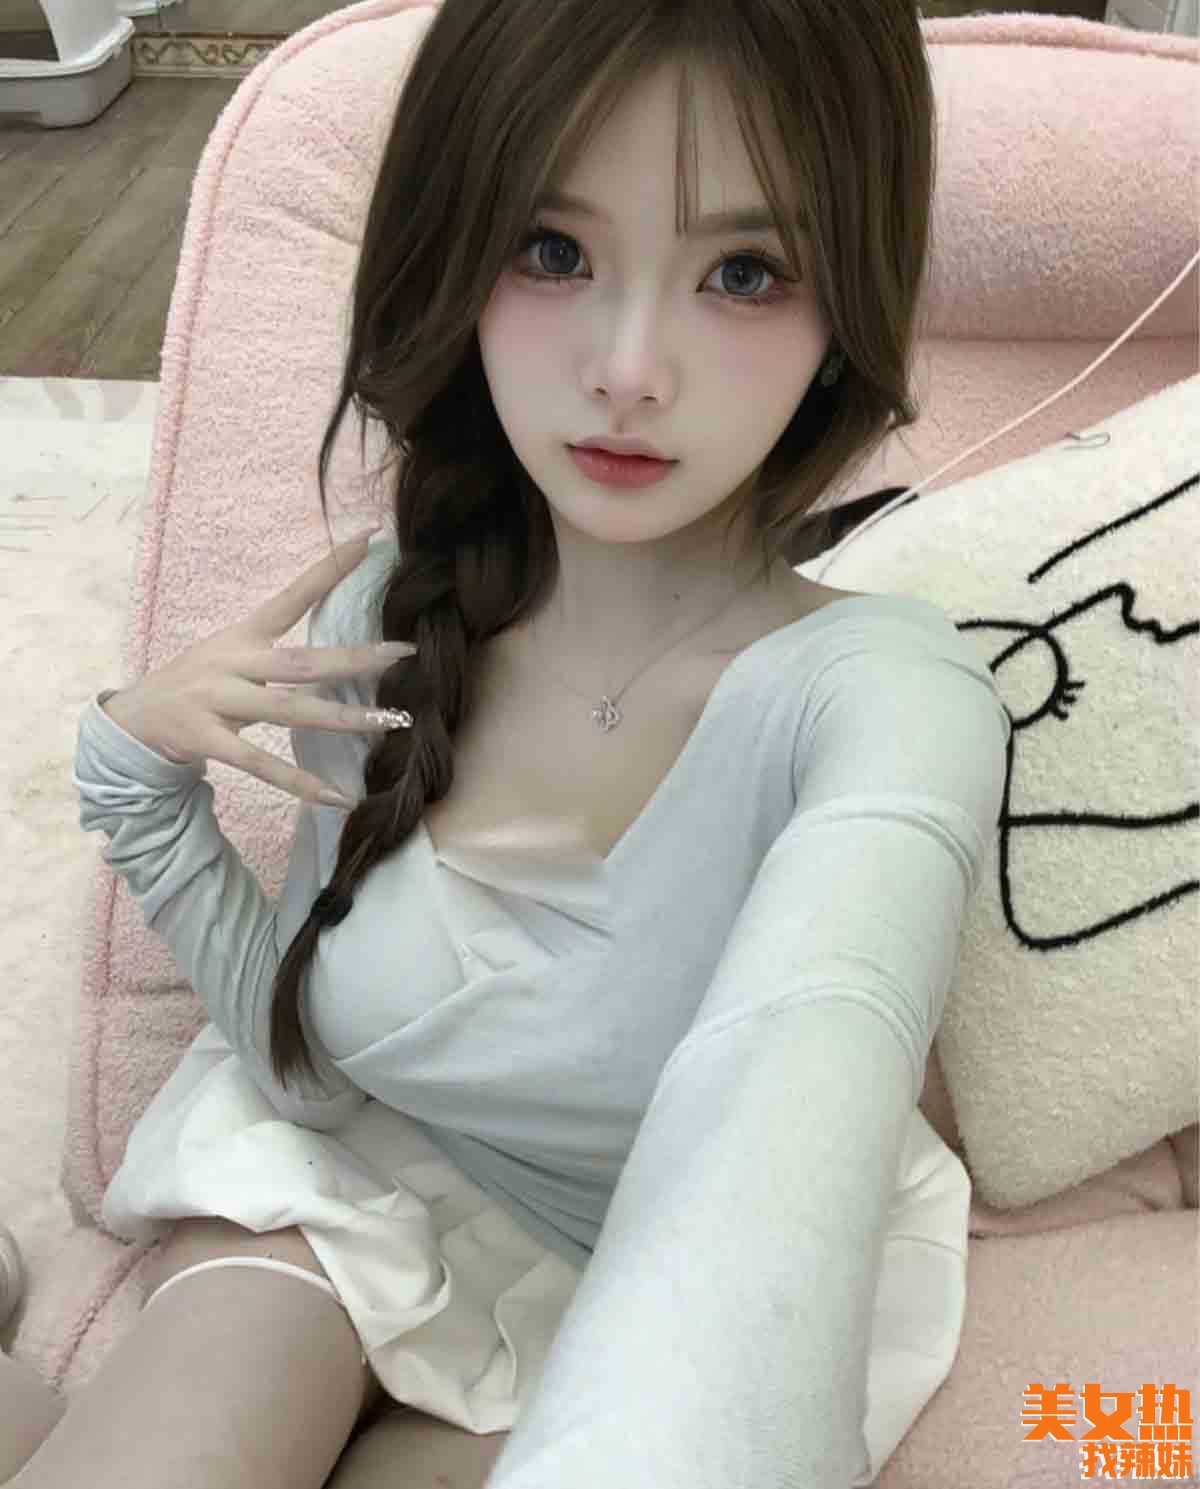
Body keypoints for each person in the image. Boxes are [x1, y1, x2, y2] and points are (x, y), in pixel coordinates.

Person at [11, 2, 1010, 1486]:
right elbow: (314, 1066)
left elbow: (818, 1052)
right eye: (551, 250)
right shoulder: (390, 617)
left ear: (846, 301)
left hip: (645, 1284)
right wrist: (134, 778)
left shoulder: (882, 700)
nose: (628, 367)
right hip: (339, 1204)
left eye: (744, 271)